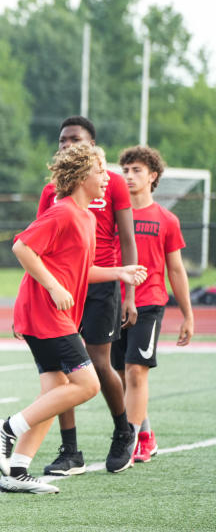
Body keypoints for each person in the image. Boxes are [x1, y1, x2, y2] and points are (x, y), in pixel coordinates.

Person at [0, 143, 146, 494]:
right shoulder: (63, 213)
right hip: (45, 313)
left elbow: (80, 270)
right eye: (101, 171)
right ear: (81, 176)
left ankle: (16, 472)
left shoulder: (86, 217)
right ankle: (7, 428)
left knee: (56, 391)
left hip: (51, 314)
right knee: (87, 385)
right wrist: (54, 287)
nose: (108, 178)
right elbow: (21, 246)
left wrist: (119, 272)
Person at [35, 116, 140, 476]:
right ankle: (70, 451)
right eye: (62, 139)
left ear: (92, 144)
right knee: (64, 366)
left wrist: (129, 294)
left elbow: (127, 239)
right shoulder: (52, 191)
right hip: (64, 287)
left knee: (97, 361)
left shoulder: (110, 183)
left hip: (101, 283)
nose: (66, 144)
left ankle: (123, 430)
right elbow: (36, 248)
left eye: (74, 139)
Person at [112, 145, 194, 465]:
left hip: (149, 303)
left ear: (153, 176)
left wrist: (187, 315)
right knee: (119, 376)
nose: (130, 176)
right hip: (114, 304)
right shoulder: (113, 217)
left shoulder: (166, 219)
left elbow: (175, 269)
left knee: (136, 372)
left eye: (137, 171)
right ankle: (146, 434)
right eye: (126, 170)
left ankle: (129, 440)